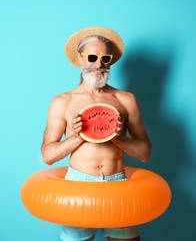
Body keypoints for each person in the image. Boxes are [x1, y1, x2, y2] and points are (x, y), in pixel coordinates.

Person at [41, 27, 151, 241]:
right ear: (80, 59)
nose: (98, 64)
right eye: (92, 57)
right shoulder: (62, 101)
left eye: (104, 58)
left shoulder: (126, 100)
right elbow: (48, 155)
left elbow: (145, 153)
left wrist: (117, 136)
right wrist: (78, 136)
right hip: (78, 185)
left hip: (118, 184)